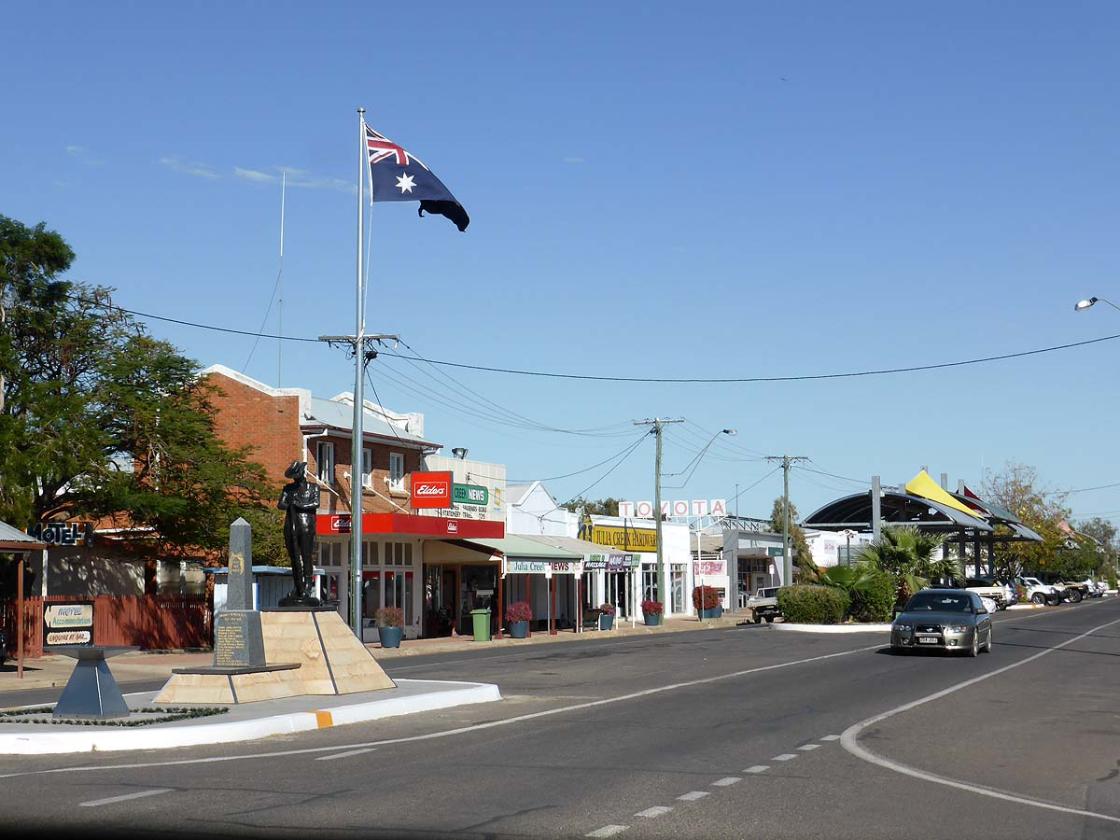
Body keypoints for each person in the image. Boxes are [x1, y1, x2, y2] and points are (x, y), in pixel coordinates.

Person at [277, 460, 321, 606]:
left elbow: (315, 503)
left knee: (306, 556)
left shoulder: (313, 488)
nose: (296, 478)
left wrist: (298, 504)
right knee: (294, 557)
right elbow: (281, 504)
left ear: (302, 473)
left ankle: (308, 586)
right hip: (291, 524)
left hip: (306, 524)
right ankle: (298, 586)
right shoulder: (288, 489)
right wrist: (289, 503)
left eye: (297, 474)